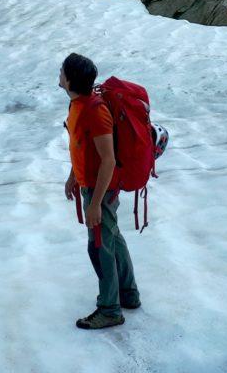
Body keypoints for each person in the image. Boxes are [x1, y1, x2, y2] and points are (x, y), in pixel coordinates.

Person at [60, 52, 141, 329]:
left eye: (62, 71)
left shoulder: (95, 111)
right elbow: (80, 145)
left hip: (100, 189)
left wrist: (94, 204)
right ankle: (128, 294)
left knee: (99, 246)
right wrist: (74, 175)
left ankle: (110, 309)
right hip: (91, 185)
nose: (59, 75)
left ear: (70, 80)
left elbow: (107, 159)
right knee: (112, 237)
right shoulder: (78, 105)